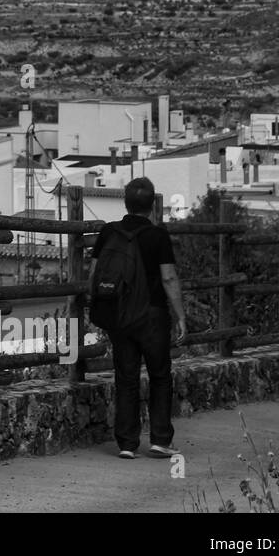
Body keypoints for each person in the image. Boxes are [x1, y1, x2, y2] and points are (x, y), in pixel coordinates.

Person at [88, 176, 186, 459]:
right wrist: (180, 316)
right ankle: (160, 440)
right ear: (152, 205)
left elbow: (94, 275)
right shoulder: (157, 235)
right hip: (152, 315)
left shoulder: (109, 232)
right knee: (159, 376)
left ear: (126, 202)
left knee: (126, 377)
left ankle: (127, 443)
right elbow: (168, 277)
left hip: (120, 315)